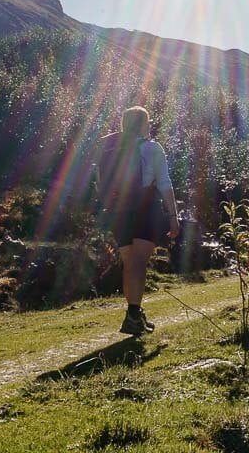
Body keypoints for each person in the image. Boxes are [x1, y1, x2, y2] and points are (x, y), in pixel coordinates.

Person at [96, 106, 180, 336]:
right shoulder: (151, 148)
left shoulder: (111, 149)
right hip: (145, 207)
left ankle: (135, 313)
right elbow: (164, 183)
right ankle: (133, 314)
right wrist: (173, 217)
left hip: (118, 211)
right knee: (140, 261)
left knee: (129, 261)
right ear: (144, 124)